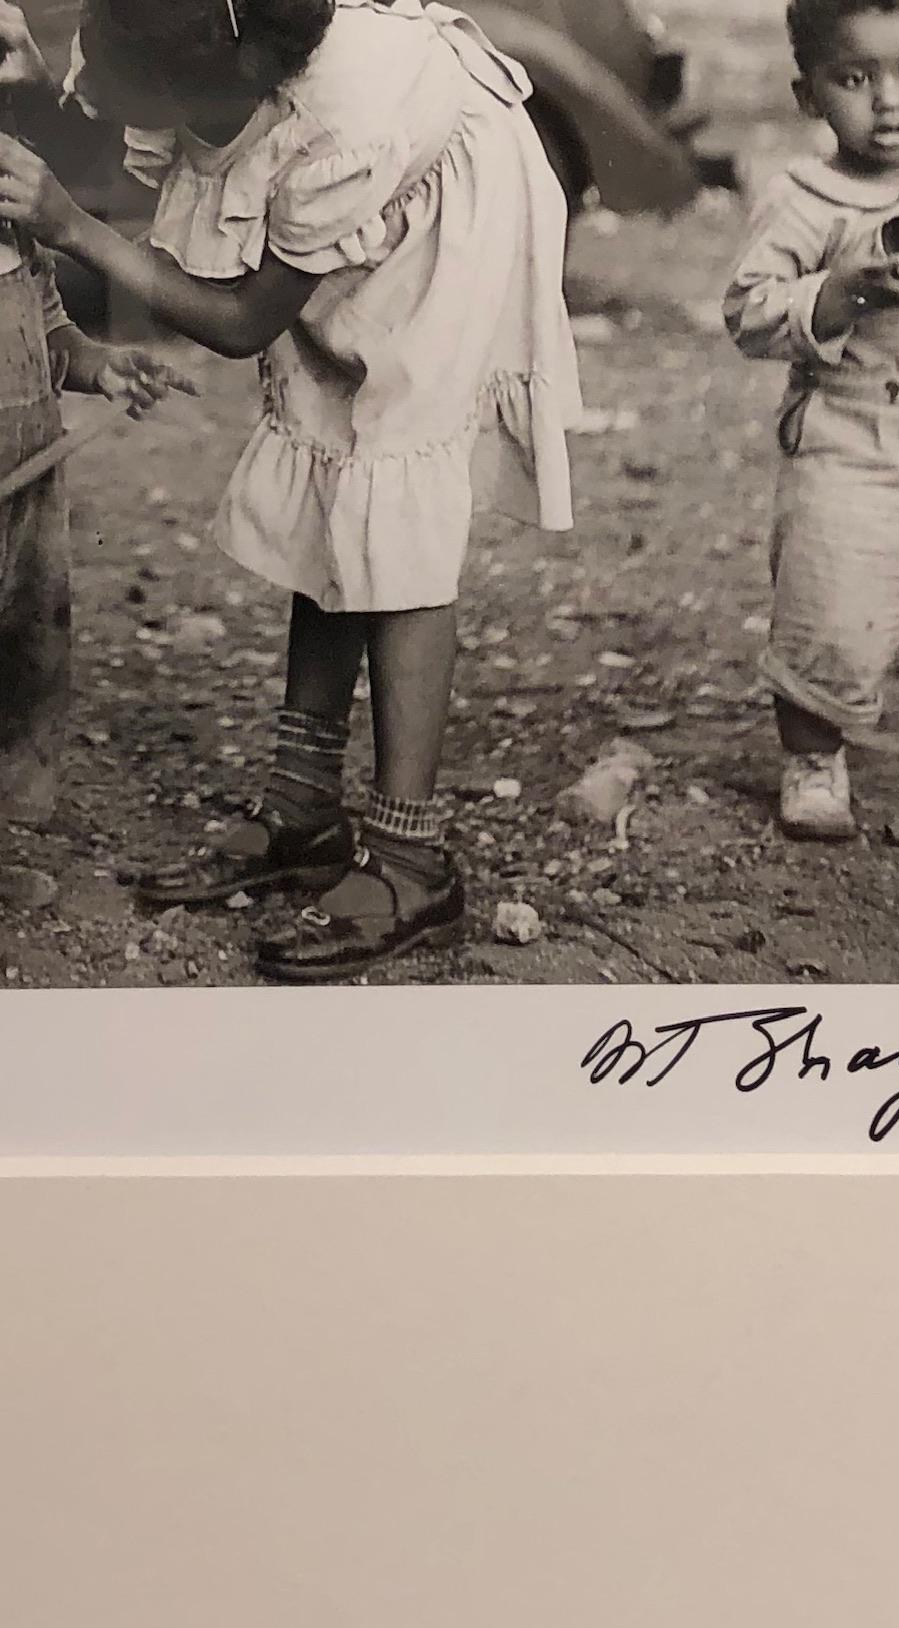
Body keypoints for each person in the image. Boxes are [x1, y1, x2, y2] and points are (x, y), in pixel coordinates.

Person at [0, 0, 582, 979]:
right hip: (351, 173)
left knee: (391, 479)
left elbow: (239, 320)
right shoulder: (209, 41)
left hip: (450, 213)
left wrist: (72, 226)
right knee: (325, 449)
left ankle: (410, 859)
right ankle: (302, 806)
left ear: (222, 78)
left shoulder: (345, 125)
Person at [725, 0, 899, 842]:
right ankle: (813, 758)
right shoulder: (804, 199)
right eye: (856, 78)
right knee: (829, 603)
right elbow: (748, 312)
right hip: (852, 443)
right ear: (809, 95)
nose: (889, 102)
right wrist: (844, 288)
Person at [0, 1, 190, 907]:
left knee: (18, 667)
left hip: (23, 515)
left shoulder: (13, 230)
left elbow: (47, 332)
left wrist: (104, 368)